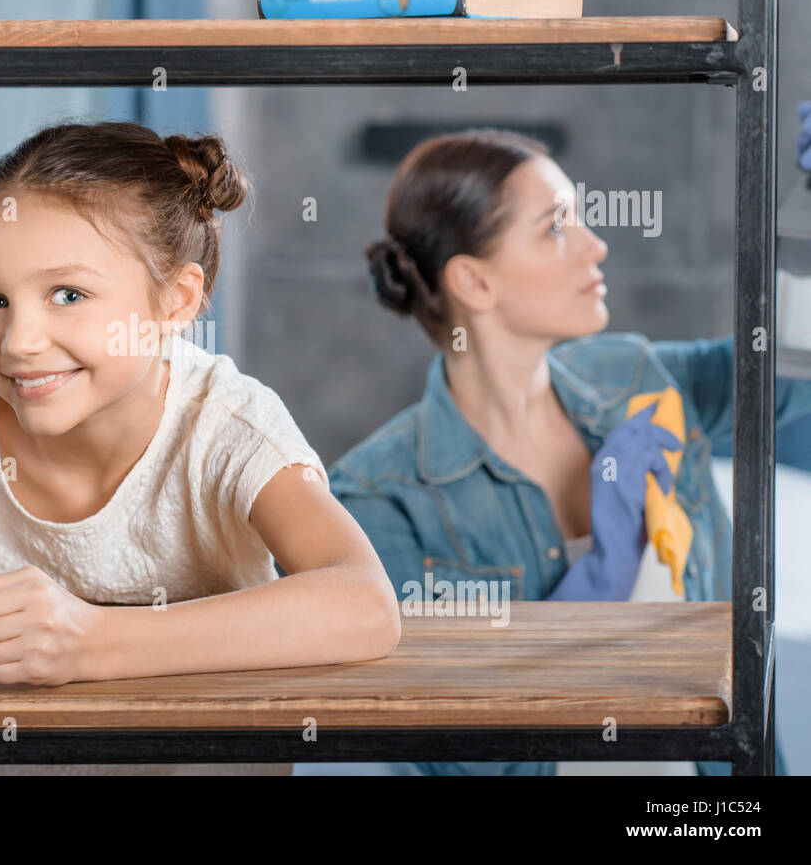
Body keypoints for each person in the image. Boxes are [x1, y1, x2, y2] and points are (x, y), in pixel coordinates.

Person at [0, 121, 401, 774]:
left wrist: (90, 641)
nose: (19, 340)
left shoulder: (226, 425)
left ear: (175, 301)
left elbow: (364, 602)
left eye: (69, 294)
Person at [331, 128, 811, 776]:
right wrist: (597, 584)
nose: (596, 245)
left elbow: (786, 371)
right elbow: (467, 758)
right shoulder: (379, 499)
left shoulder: (634, 376)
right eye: (557, 227)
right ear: (474, 280)